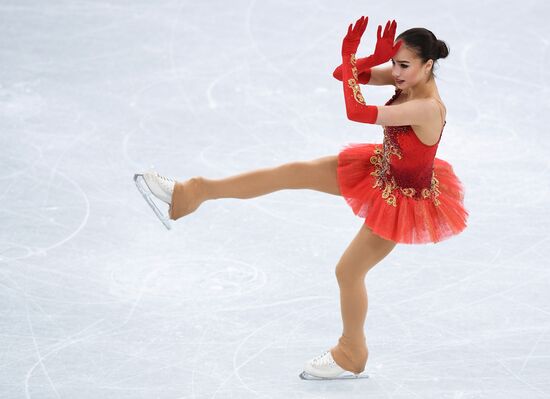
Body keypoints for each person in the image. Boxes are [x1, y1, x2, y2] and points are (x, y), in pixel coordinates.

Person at [134, 16, 468, 380]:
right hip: (379, 168)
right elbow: (344, 75)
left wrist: (351, 52)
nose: (396, 72)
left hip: (402, 199)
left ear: (428, 65)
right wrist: (370, 58)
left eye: (403, 65)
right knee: (293, 172)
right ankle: (191, 192)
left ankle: (352, 351)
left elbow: (356, 111)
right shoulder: (407, 78)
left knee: (348, 271)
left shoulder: (427, 107)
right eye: (394, 63)